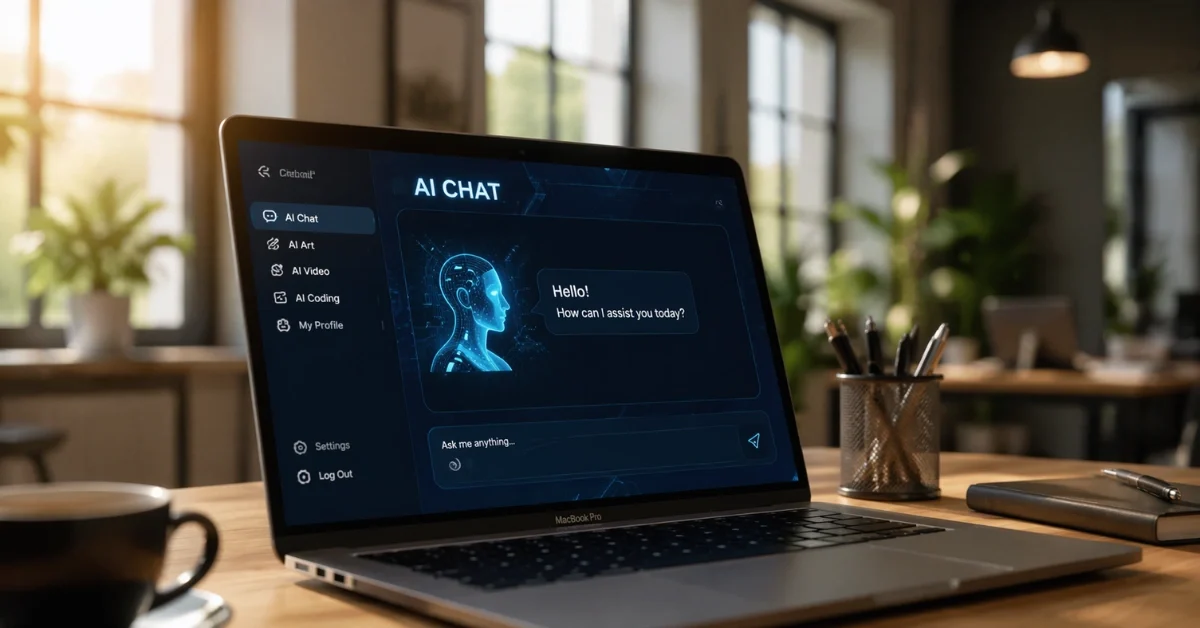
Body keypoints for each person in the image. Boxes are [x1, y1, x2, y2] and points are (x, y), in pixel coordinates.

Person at [431, 254, 512, 373]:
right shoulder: (452, 362)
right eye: (494, 293)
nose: (506, 305)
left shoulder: (499, 364)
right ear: (465, 298)